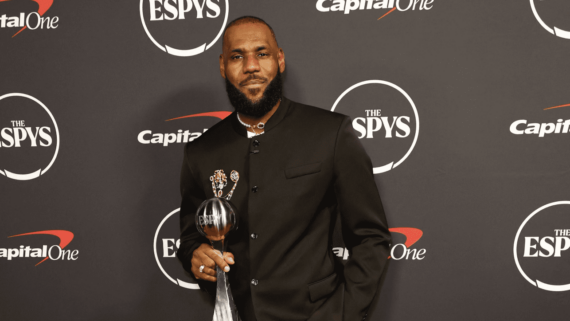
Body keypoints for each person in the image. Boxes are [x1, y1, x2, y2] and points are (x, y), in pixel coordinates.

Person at [177, 16, 391, 321]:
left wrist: (341, 314)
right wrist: (195, 256)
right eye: (238, 56)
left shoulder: (330, 134)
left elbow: (371, 237)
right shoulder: (200, 151)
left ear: (280, 60)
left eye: (261, 53)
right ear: (223, 66)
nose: (251, 66)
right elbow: (189, 239)